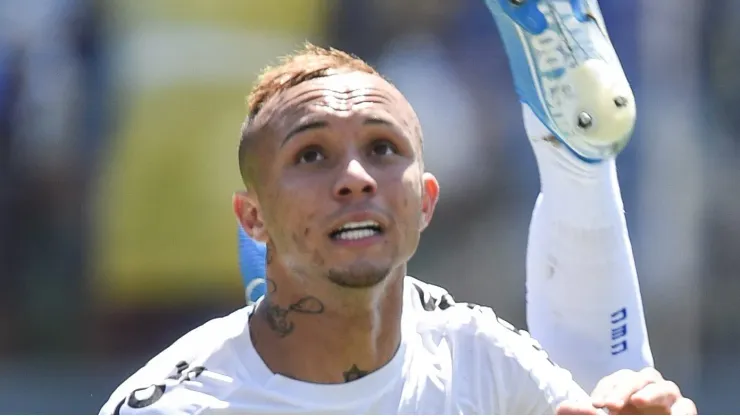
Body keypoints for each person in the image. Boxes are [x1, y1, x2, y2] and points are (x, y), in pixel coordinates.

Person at [100, 1, 697, 414]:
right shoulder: (174, 405)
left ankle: (575, 159)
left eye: (383, 149)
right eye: (312, 155)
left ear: (425, 202)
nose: (356, 178)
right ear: (252, 219)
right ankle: (575, 161)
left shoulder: (479, 358)